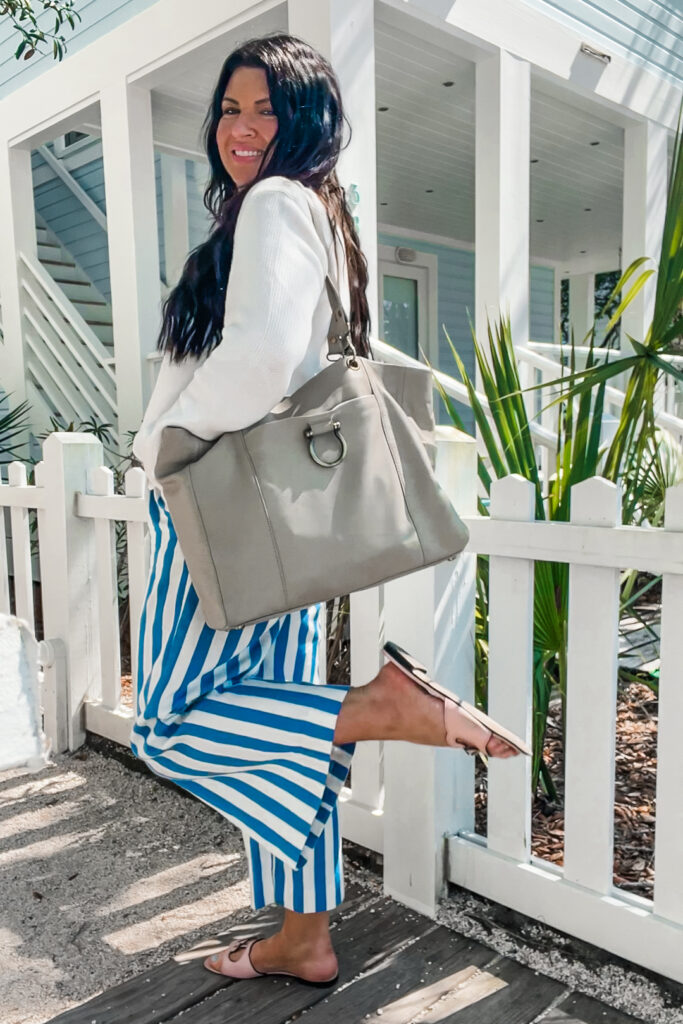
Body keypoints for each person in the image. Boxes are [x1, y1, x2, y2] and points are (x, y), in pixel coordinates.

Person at [130, 32, 521, 988]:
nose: (243, 126)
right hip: (296, 528)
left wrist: (166, 448)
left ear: (307, 119)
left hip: (223, 505)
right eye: (230, 108)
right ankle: (302, 939)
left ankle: (380, 706)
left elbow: (263, 355)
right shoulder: (316, 211)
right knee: (286, 723)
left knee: (170, 723)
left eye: (267, 108)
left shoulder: (272, 202)